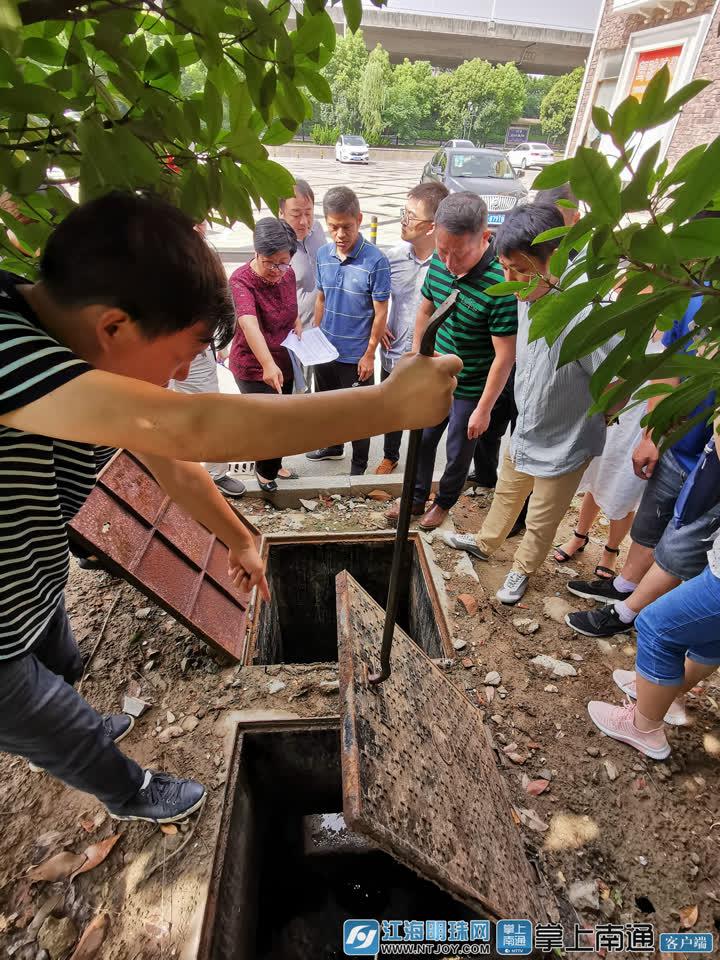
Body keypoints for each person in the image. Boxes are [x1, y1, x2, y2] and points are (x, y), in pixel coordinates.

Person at [0, 190, 460, 825]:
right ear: (113, 325)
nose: (179, 374)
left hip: (29, 573)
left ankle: (74, 716)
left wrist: (237, 535)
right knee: (48, 720)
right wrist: (388, 406)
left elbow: (166, 453)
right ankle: (131, 792)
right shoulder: (9, 352)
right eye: (181, 354)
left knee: (59, 663)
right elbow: (187, 426)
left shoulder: (49, 329)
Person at [443, 203, 620, 605]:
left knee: (542, 515)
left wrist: (603, 416)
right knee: (508, 490)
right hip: (528, 425)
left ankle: (521, 571)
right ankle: (486, 543)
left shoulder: (584, 313)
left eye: (521, 271)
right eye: (506, 268)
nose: (511, 281)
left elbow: (617, 377)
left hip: (566, 438)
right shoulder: (525, 292)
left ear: (553, 257)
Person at [566, 290, 720, 637]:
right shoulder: (698, 297)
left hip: (713, 465)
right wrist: (651, 435)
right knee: (650, 523)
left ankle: (628, 613)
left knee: (681, 545)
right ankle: (625, 584)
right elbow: (667, 365)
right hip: (676, 443)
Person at [386, 192, 518, 531]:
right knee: (423, 438)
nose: (448, 261)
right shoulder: (440, 266)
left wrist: (484, 408)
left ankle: (444, 502)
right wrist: (418, 356)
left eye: (458, 253)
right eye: (442, 250)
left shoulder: (500, 285)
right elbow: (426, 309)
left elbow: (505, 356)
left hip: (473, 385)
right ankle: (415, 496)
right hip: (436, 375)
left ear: (485, 238)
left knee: (459, 447)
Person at [554, 332, 664, 578]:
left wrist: (651, 436)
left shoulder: (680, 329)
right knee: (597, 478)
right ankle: (579, 535)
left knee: (624, 490)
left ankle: (611, 550)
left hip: (642, 424)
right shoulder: (633, 321)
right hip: (613, 415)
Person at [306, 186, 391, 475]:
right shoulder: (323, 255)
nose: (340, 235)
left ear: (359, 220)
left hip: (356, 357)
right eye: (333, 227)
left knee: (358, 416)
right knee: (327, 407)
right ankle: (332, 446)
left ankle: (358, 467)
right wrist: (315, 337)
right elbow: (321, 297)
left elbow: (381, 313)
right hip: (325, 351)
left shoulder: (375, 261)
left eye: (347, 227)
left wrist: (369, 355)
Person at [374, 181, 449, 475]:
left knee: (425, 413)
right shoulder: (392, 258)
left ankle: (420, 465)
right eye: (402, 213)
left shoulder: (446, 263)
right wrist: (376, 328)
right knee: (392, 408)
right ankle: (390, 455)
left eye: (410, 216)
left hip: (432, 356)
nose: (403, 222)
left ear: (431, 226)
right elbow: (376, 298)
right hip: (395, 351)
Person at [229, 218, 304, 492]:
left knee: (283, 418)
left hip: (284, 358)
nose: (277, 270)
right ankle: (264, 471)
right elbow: (249, 324)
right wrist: (267, 364)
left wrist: (296, 321)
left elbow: (289, 306)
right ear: (256, 252)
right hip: (253, 365)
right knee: (268, 423)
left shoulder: (289, 274)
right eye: (270, 262)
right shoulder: (241, 280)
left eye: (283, 262)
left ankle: (275, 463)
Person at [170, 348, 247, 498]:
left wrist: (221, 346)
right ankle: (178, 477)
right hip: (166, 344)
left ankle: (216, 475)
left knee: (212, 414)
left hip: (199, 349)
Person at [279, 179, 326, 392]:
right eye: (296, 215)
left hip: (321, 332)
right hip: (294, 337)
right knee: (298, 395)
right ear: (281, 213)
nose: (304, 221)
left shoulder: (318, 230)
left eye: (309, 213)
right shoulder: (277, 246)